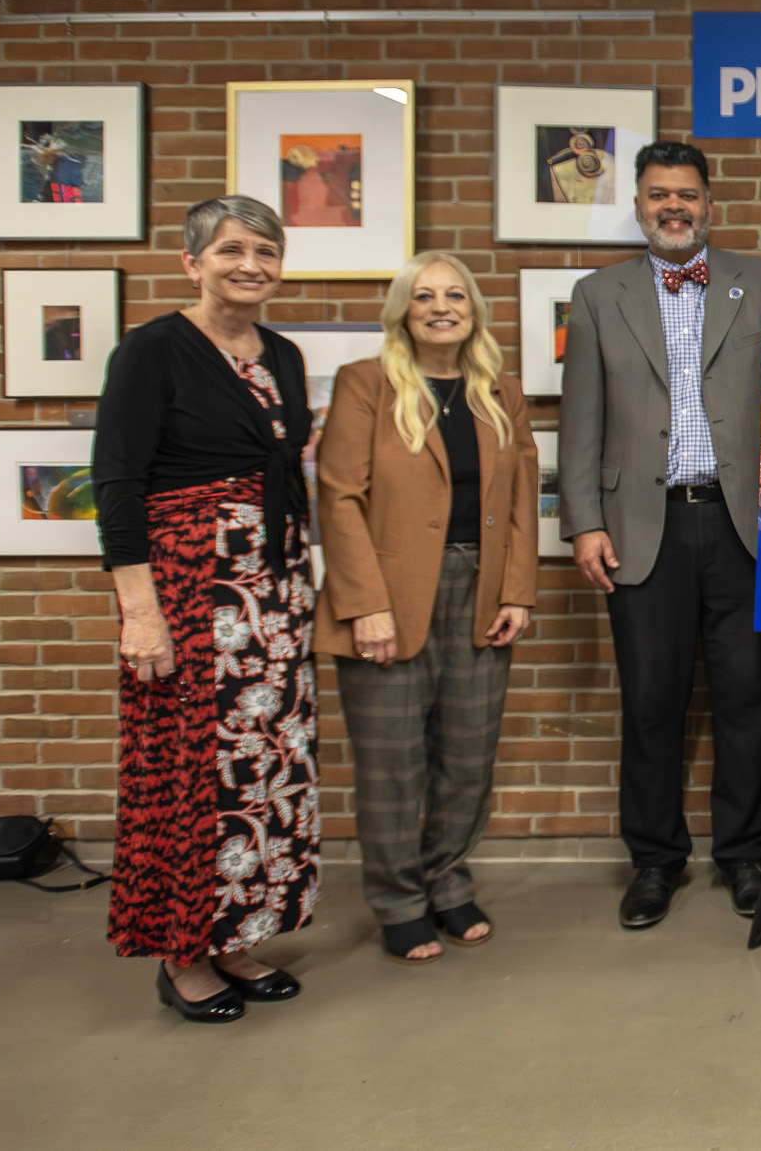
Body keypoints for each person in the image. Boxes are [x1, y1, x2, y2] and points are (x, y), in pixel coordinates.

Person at [93, 195, 317, 1023]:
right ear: (193, 262)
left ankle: (237, 936)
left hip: (275, 592)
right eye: (231, 250)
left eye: (265, 250)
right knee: (193, 770)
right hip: (189, 592)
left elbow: (285, 471)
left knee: (263, 771)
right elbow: (118, 484)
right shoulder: (151, 352)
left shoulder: (284, 355)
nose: (250, 264)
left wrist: (299, 577)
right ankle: (183, 954)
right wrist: (139, 612)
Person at [559, 140, 761, 930]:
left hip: (747, 527)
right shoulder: (596, 295)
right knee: (651, 701)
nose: (674, 207)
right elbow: (579, 418)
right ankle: (654, 860)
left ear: (709, 202)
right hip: (639, 528)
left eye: (687, 194)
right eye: (659, 196)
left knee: (747, 697)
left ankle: (747, 852)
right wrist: (582, 521)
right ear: (640, 205)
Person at [316, 253, 538, 964]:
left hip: (481, 591)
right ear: (402, 312)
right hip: (388, 598)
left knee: (467, 757)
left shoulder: (500, 391)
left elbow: (523, 499)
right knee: (392, 764)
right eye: (424, 296)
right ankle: (398, 900)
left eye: (455, 295)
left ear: (473, 307)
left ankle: (447, 880)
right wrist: (363, 605)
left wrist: (516, 591)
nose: (441, 306)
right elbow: (339, 495)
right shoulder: (366, 384)